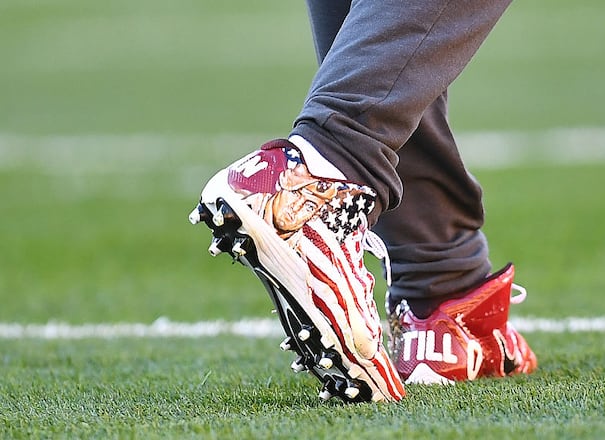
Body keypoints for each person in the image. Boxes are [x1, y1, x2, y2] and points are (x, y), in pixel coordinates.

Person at [189, 0, 536, 403]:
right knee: (356, 124)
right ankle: (322, 177)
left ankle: (439, 283)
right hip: (326, 165)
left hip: (436, 265)